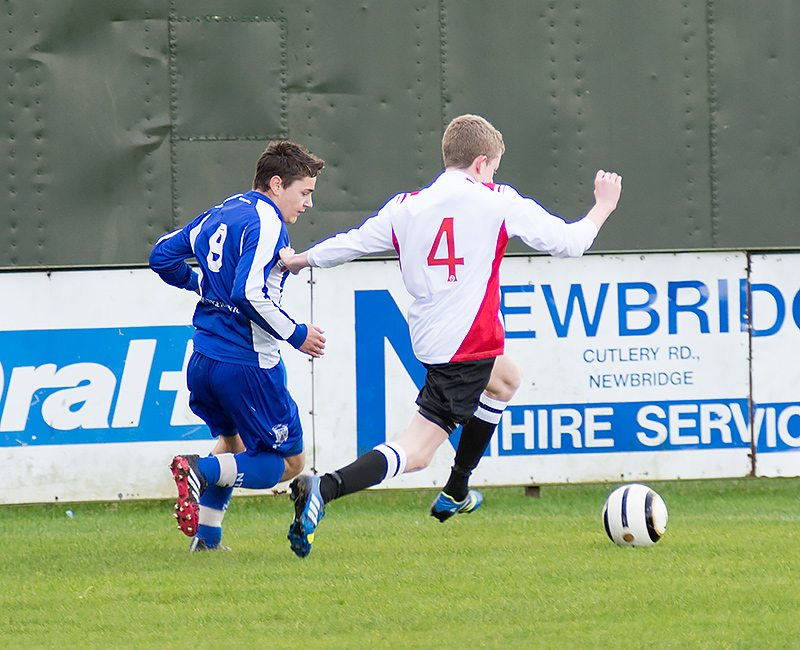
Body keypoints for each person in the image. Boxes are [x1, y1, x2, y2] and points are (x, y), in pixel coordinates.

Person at [279, 114, 622, 558]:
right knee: (417, 452)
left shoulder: (406, 206)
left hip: (433, 340)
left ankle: (457, 488)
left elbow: (353, 242)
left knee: (507, 379)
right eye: (493, 168)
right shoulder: (497, 200)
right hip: (467, 346)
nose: (493, 175)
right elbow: (571, 243)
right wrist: (603, 205)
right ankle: (325, 488)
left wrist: (299, 259)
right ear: (481, 163)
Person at [149, 141, 326, 551]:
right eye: (304, 192)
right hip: (247, 364)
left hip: (204, 360)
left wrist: (199, 284)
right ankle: (200, 471)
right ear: (277, 184)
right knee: (289, 462)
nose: (308, 203)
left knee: (234, 444)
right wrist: (297, 334)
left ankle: (207, 539)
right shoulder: (268, 222)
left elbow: (161, 256)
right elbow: (248, 292)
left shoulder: (223, 211)